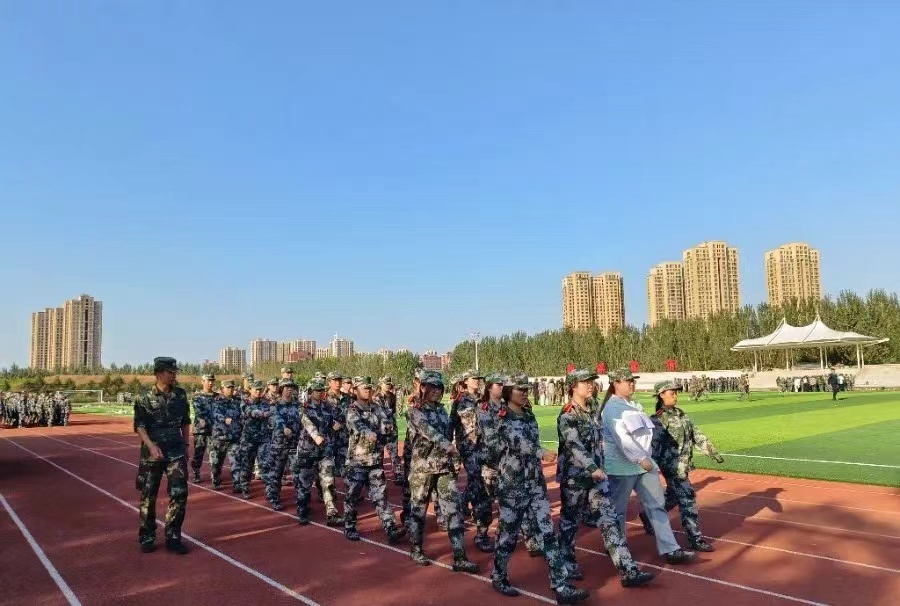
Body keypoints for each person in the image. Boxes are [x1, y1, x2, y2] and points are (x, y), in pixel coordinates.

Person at [488, 374, 588, 604]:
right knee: (508, 535)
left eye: (526, 389)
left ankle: (561, 585)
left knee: (547, 533)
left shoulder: (529, 414)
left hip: (534, 484)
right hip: (512, 485)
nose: (524, 393)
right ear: (508, 392)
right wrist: (541, 452)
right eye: (519, 390)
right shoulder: (501, 416)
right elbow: (516, 441)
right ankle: (499, 575)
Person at [556, 370, 654, 587]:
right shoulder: (567, 414)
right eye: (585, 382)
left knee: (610, 521)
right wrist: (592, 467)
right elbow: (574, 445)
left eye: (591, 381)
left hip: (597, 478)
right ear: (573, 386)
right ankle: (567, 562)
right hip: (575, 478)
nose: (590, 385)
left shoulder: (593, 408)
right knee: (570, 523)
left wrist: (600, 466)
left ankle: (628, 570)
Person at [600, 368, 696, 565]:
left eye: (632, 380)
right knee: (618, 510)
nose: (631, 383)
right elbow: (622, 438)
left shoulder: (635, 405)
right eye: (627, 380)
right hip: (622, 467)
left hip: (644, 465)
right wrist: (640, 458)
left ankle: (671, 549)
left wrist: (648, 458)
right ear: (615, 383)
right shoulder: (611, 408)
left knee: (657, 506)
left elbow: (645, 434)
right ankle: (617, 547)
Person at [406, 371, 478, 571]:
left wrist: (454, 459)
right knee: (419, 510)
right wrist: (448, 445)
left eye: (439, 388)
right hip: (423, 469)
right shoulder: (414, 410)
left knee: (453, 510)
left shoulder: (442, 410)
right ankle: (416, 549)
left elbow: (449, 431)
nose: (436, 391)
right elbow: (428, 431)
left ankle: (460, 557)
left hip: (444, 468)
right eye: (432, 387)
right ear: (423, 388)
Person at [651, 380, 724, 552]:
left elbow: (696, 434)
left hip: (684, 465)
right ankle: (694, 538)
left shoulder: (681, 414)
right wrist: (653, 466)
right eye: (672, 393)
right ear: (661, 395)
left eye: (676, 393)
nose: (675, 395)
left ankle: (648, 515)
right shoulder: (658, 419)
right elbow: (654, 446)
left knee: (673, 497)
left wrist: (712, 452)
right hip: (672, 467)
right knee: (688, 499)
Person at [133, 357, 190, 554]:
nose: (174, 375)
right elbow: (139, 426)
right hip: (153, 452)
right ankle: (147, 535)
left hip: (176, 451)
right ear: (158, 373)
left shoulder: (180, 395)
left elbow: (185, 422)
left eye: (175, 372)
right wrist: (150, 446)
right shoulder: (144, 397)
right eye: (170, 372)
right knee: (148, 494)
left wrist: (186, 444)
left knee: (179, 493)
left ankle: (173, 536)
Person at [343, 377, 405, 543]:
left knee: (381, 495)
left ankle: (390, 527)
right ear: (355, 390)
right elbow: (357, 425)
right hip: (357, 462)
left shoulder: (376, 408)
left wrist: (386, 429)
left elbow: (386, 423)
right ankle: (349, 526)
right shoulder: (352, 410)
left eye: (369, 387)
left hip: (375, 461)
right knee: (352, 496)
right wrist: (368, 432)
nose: (368, 390)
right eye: (364, 388)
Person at [294, 378, 343, 527]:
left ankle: (332, 513)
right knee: (305, 484)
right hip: (307, 452)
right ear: (310, 392)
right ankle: (302, 511)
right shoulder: (303, 408)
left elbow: (333, 422)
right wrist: (316, 436)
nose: (320, 393)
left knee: (328, 482)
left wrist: (336, 425)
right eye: (317, 390)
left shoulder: (327, 407)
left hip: (324, 451)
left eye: (322, 390)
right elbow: (307, 424)